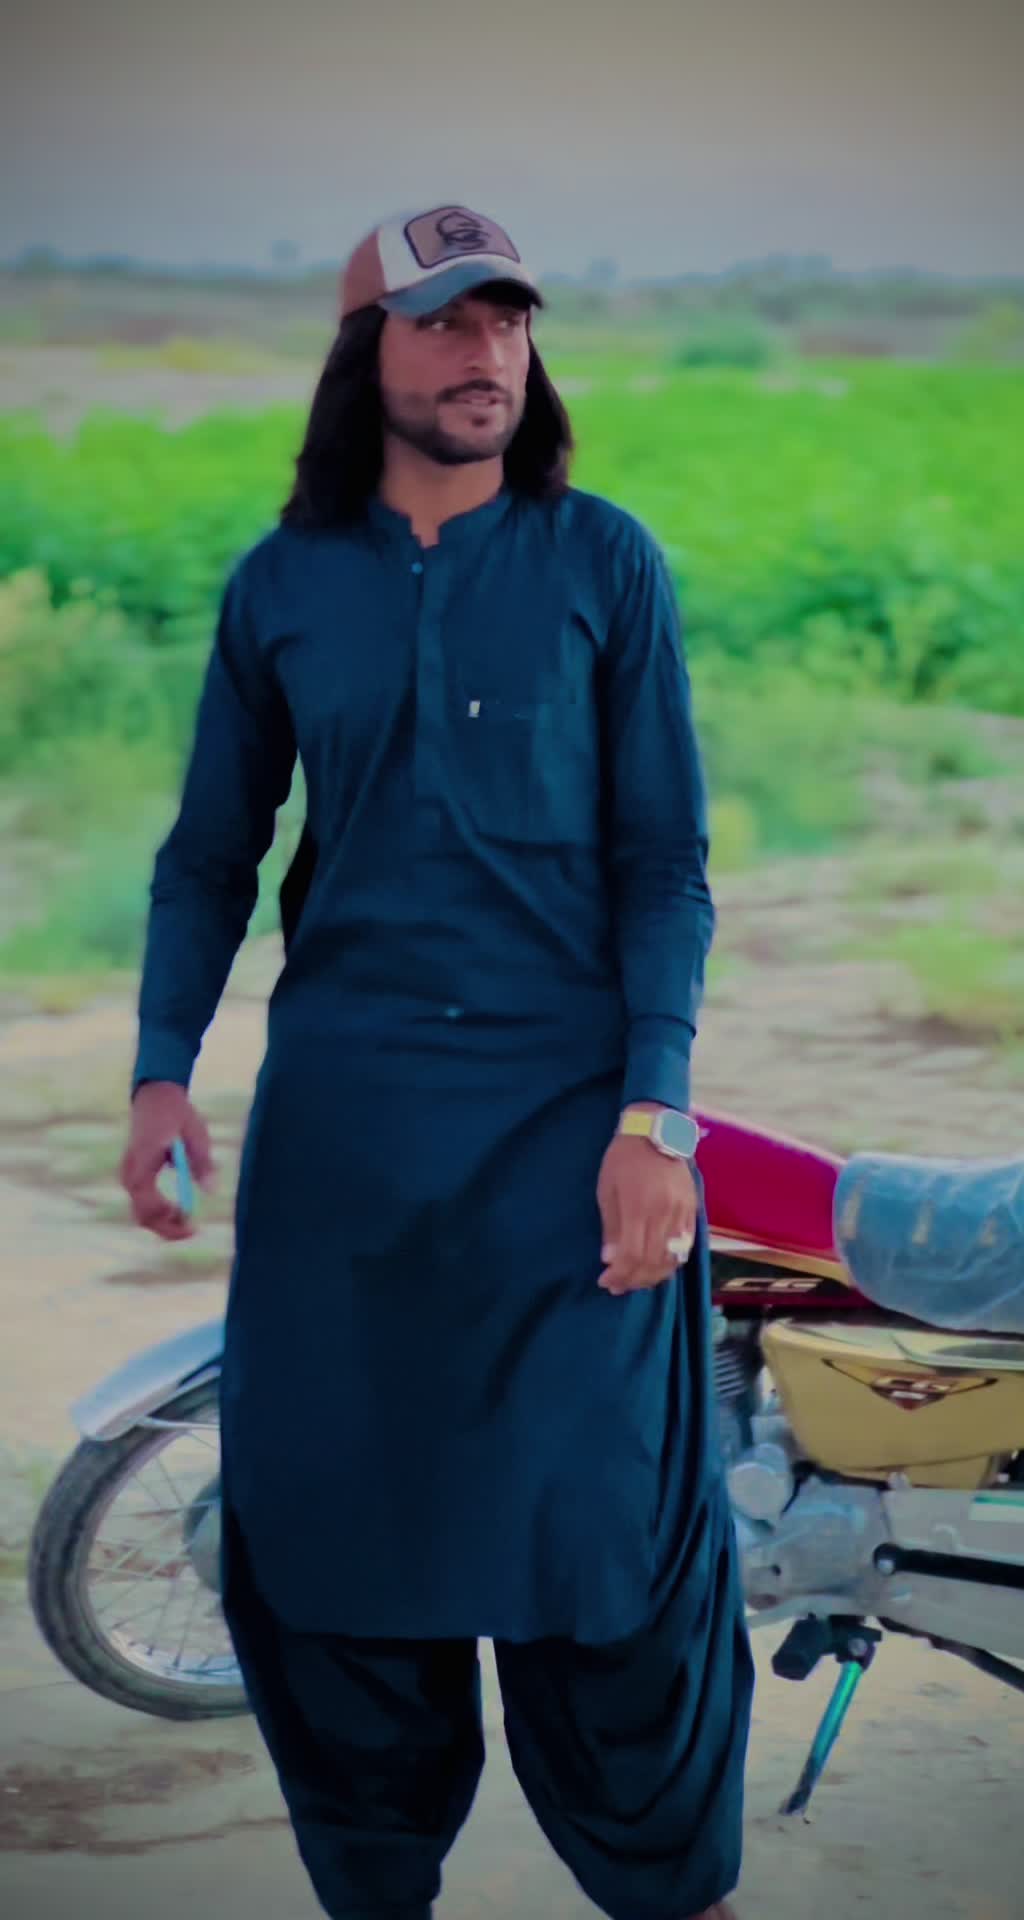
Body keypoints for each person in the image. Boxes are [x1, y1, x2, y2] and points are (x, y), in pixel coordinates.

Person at [121, 201, 753, 1920]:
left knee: (601, 1544)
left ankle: (668, 1888)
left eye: (511, 321)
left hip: (571, 1137)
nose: (490, 353)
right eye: (447, 322)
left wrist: (657, 1115)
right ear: (366, 354)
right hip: (346, 1143)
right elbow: (212, 853)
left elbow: (665, 863)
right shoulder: (283, 586)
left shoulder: (602, 561)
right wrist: (163, 1068)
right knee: (335, 1539)